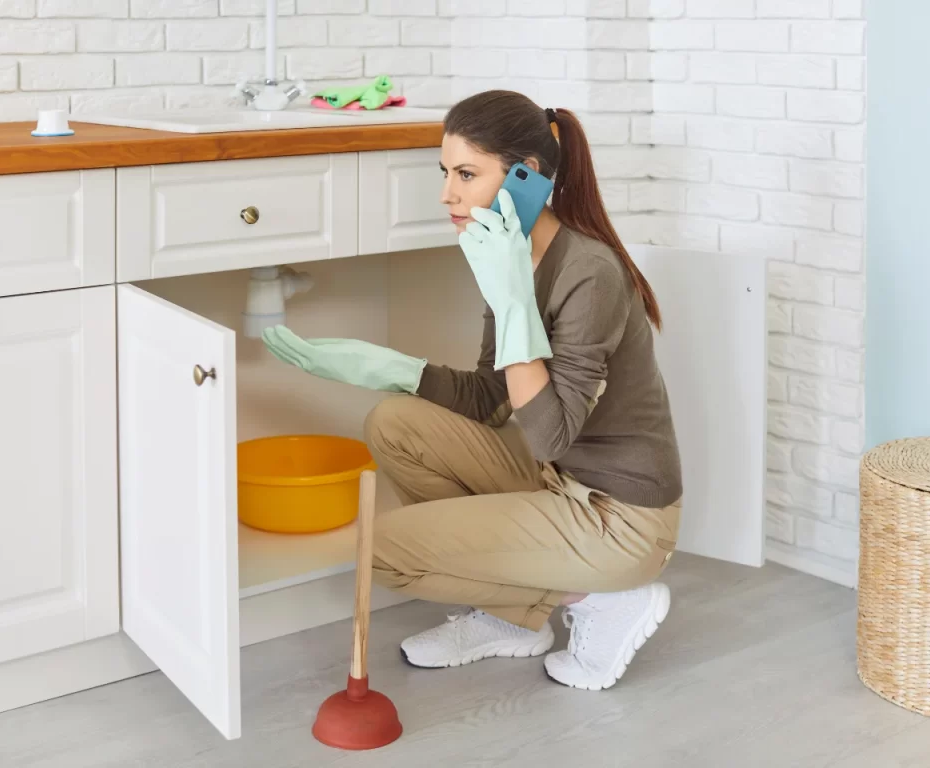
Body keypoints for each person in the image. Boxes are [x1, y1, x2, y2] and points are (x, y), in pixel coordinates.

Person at [262, 90, 682, 691]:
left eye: (465, 174)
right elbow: (491, 400)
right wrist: (388, 368)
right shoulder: (507, 257)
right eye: (445, 173)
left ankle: (597, 599)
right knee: (395, 422)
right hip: (560, 482)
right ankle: (515, 620)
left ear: (524, 176)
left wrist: (513, 300)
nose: (447, 194)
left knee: (381, 551)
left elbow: (548, 433)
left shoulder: (589, 273)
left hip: (619, 518)